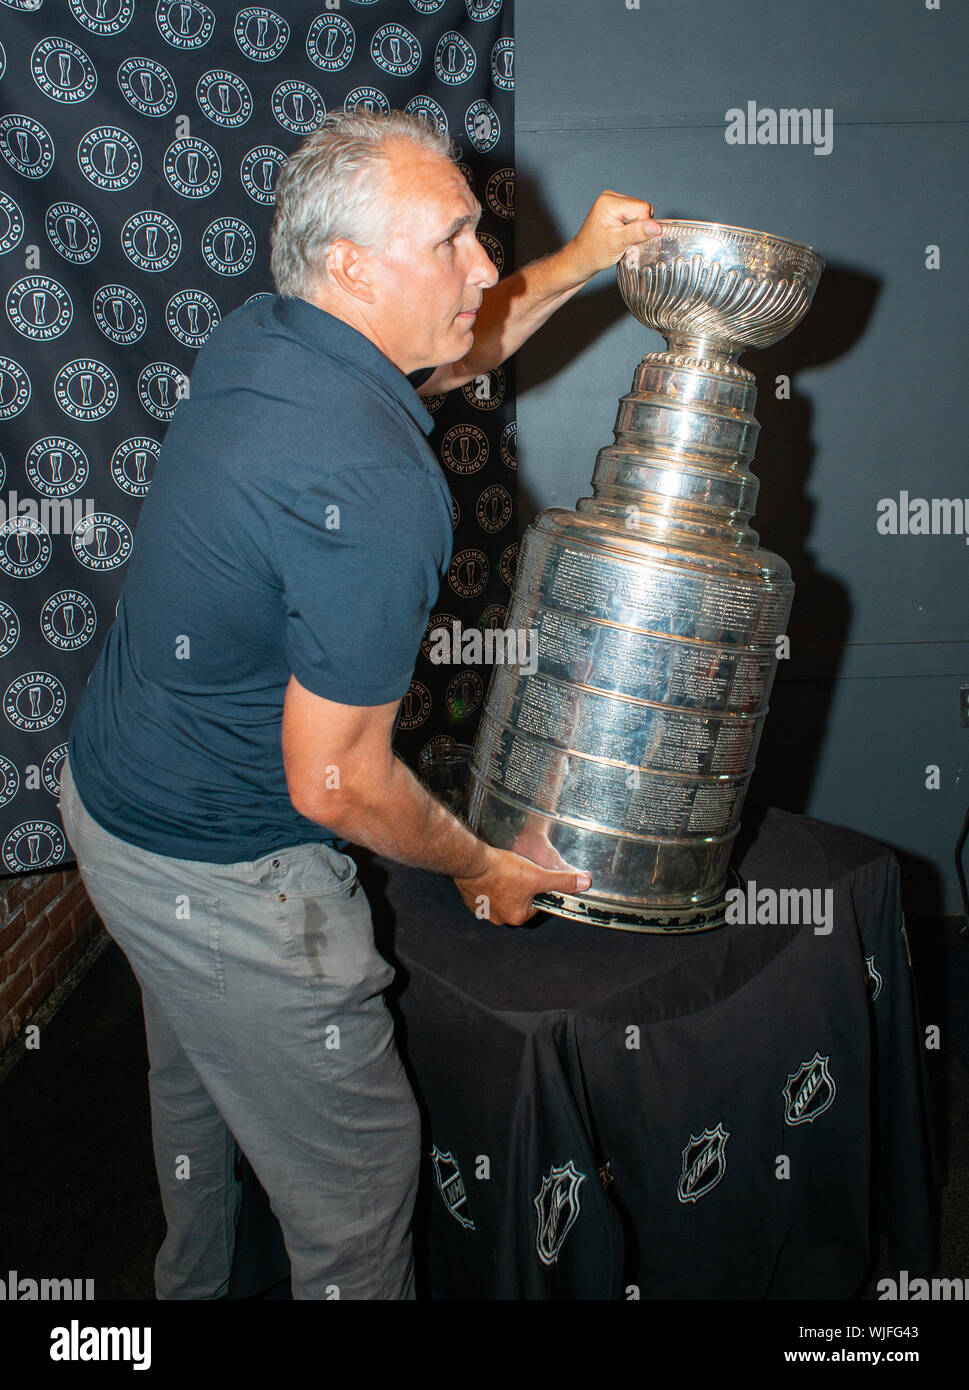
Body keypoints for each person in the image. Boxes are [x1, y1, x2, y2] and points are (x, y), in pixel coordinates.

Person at [58, 109, 661, 1301]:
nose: (484, 265)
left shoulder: (270, 333)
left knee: (199, 1100)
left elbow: (464, 346)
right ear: (351, 266)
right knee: (360, 1184)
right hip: (226, 868)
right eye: (452, 241)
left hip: (113, 807)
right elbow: (332, 782)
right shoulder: (376, 482)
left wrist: (586, 261)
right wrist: (482, 863)